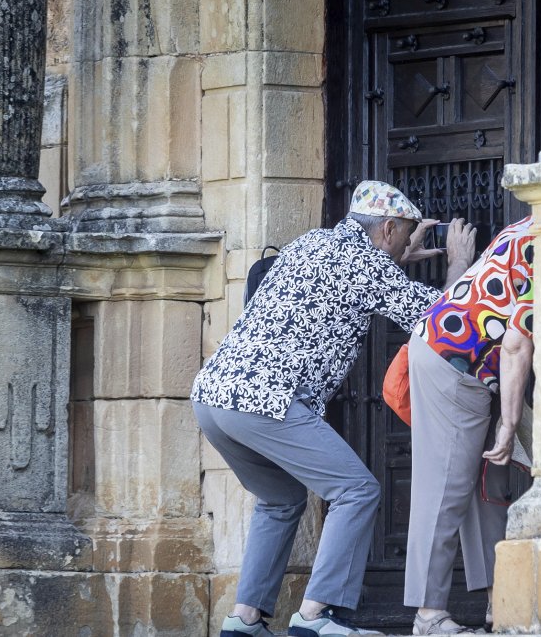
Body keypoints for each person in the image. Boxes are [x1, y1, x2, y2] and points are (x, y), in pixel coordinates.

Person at [191, 180, 476, 637]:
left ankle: (244, 620)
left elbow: (349, 284)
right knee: (356, 490)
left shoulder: (312, 241)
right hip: (268, 400)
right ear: (387, 229)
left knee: (281, 500)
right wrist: (459, 263)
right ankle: (317, 615)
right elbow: (441, 322)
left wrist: (393, 261)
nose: (406, 244)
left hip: (213, 397)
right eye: (404, 235)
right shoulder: (366, 263)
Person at [403, 216, 536, 634]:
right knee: (445, 488)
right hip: (454, 359)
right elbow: (515, 343)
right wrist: (509, 423)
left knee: (484, 485)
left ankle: (499, 603)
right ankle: (428, 614)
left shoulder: (533, 224)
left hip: (471, 362)